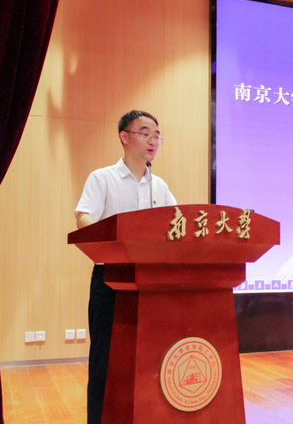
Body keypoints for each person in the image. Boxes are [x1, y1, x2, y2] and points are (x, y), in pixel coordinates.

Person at [74, 110, 176, 424]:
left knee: (149, 359)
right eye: (145, 133)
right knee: (105, 361)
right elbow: (83, 217)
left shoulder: (160, 187)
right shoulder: (102, 178)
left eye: (157, 135)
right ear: (124, 137)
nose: (153, 141)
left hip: (150, 283)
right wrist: (112, 239)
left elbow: (177, 225)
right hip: (111, 279)